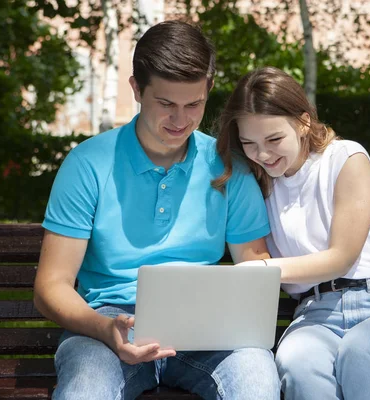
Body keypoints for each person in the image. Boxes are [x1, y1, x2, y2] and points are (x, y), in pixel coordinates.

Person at [34, 21, 280, 400]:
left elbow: (253, 270)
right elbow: (50, 287)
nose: (180, 120)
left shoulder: (230, 168)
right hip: (107, 325)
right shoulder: (88, 164)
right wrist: (104, 329)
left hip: (206, 327)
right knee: (85, 390)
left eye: (193, 104)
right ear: (136, 89)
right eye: (166, 104)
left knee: (257, 378)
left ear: (209, 90)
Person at [214, 66, 370, 400]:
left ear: (303, 122)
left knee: (361, 353)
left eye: (274, 139)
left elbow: (341, 258)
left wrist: (263, 269)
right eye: (249, 143)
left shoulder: (346, 158)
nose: (264, 154)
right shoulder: (257, 183)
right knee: (297, 362)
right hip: (314, 315)